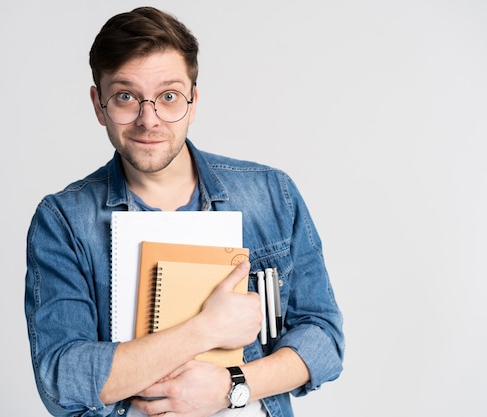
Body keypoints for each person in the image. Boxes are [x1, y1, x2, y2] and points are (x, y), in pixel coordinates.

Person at [25, 6, 344, 417]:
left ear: (193, 102)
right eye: (126, 97)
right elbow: (62, 379)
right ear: (98, 105)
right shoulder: (63, 221)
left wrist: (233, 386)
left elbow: (324, 339)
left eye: (168, 97)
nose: (148, 119)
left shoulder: (271, 193)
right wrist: (204, 329)